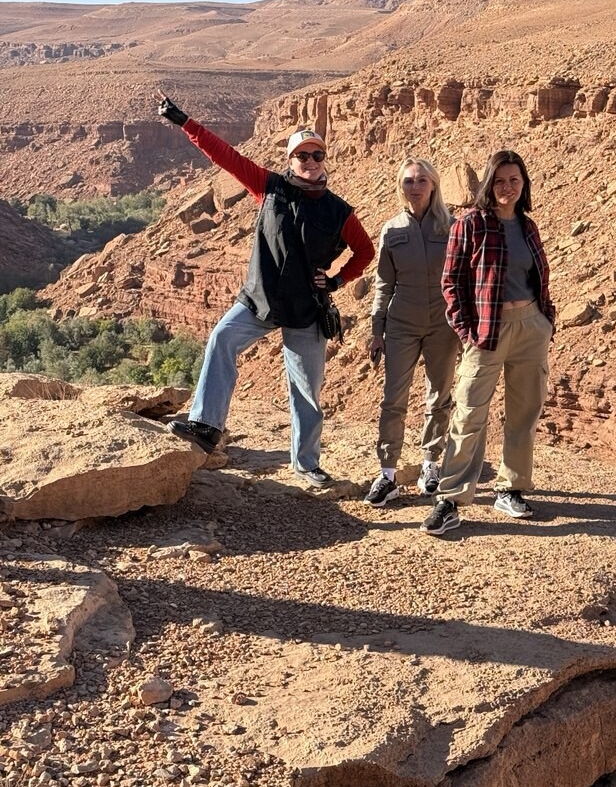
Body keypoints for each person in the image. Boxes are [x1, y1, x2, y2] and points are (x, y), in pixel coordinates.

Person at [157, 95, 374, 487]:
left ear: (324, 160)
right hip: (261, 299)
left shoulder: (339, 211)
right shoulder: (270, 187)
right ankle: (206, 426)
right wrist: (185, 123)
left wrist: (338, 281)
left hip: (306, 308)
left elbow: (366, 251)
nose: (310, 161)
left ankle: (306, 464)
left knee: (306, 390)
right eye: (302, 155)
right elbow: (227, 156)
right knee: (221, 338)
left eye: (317, 155)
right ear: (290, 160)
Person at [421, 149, 555, 536]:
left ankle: (510, 488)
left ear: (524, 184)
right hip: (486, 330)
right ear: (488, 184)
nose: (507, 187)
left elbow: (538, 277)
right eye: (499, 181)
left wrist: (545, 320)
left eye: (514, 180)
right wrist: (467, 331)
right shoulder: (471, 224)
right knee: (468, 412)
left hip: (530, 326)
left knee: (525, 412)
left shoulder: (528, 226)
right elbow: (451, 282)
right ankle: (451, 498)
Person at [365, 158, 459, 506]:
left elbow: (462, 279)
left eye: (421, 180)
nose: (415, 187)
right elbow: (383, 284)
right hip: (401, 322)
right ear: (400, 186)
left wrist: (465, 323)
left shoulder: (451, 227)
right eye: (408, 181)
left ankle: (430, 465)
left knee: (439, 396)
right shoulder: (391, 230)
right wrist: (377, 329)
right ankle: (387, 474)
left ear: (433, 184)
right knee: (393, 399)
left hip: (442, 324)